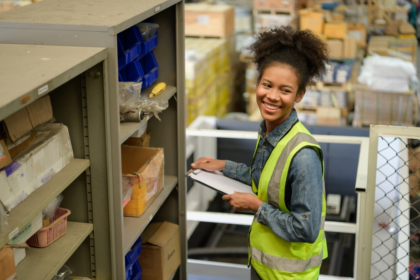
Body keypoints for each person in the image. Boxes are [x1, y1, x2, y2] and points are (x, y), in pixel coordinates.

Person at [191, 26, 329, 280]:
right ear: (257, 83)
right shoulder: (269, 133)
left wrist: (256, 206)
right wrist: (221, 165)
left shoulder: (304, 155)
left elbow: (306, 229)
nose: (272, 96)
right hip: (263, 266)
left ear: (299, 94)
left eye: (285, 90)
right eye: (267, 85)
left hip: (289, 276)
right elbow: (264, 178)